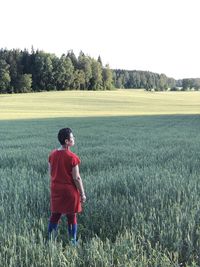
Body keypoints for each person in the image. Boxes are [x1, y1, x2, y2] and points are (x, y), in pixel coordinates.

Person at [48, 128, 86, 245]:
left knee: (55, 215)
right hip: (69, 192)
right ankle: (72, 242)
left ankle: (50, 241)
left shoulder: (52, 155)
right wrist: (82, 194)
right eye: (72, 137)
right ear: (66, 141)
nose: (74, 139)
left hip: (56, 190)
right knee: (71, 216)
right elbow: (77, 178)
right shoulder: (72, 157)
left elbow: (51, 172)